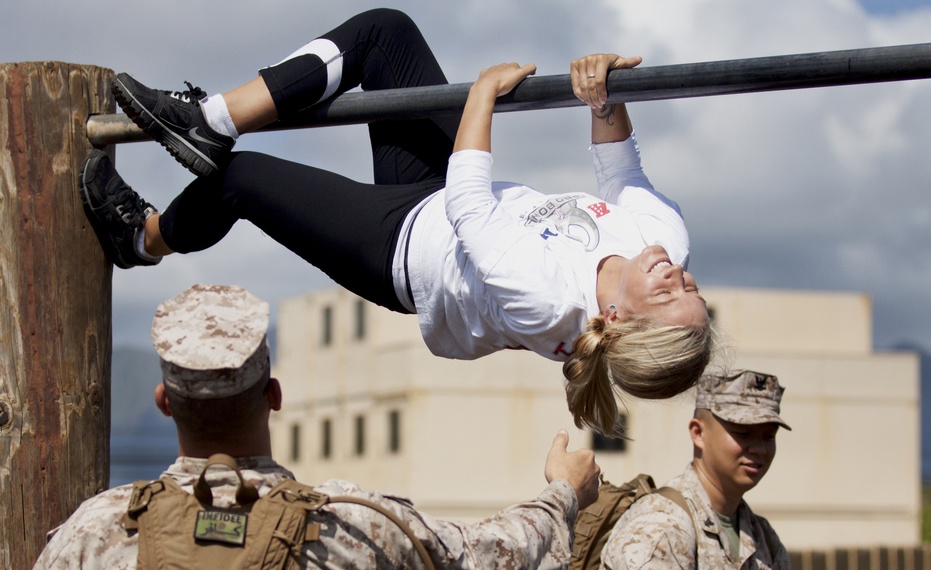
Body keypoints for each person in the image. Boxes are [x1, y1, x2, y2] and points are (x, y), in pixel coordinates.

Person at [78, 9, 712, 437]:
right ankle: (212, 119)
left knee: (241, 183)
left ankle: (141, 237)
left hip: (401, 250)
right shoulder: (665, 245)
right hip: (443, 191)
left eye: (667, 293)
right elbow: (623, 176)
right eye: (691, 287)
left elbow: (471, 208)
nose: (676, 275)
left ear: (622, 320)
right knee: (387, 33)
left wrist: (483, 95)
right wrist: (604, 97)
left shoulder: (549, 304)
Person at [0, 283, 602, 570]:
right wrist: (563, 494)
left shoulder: (96, 533)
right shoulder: (352, 524)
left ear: (164, 403)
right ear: (275, 394)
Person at [581, 370, 801, 570]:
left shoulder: (765, 541)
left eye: (768, 436)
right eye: (743, 433)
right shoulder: (661, 526)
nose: (758, 448)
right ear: (698, 433)